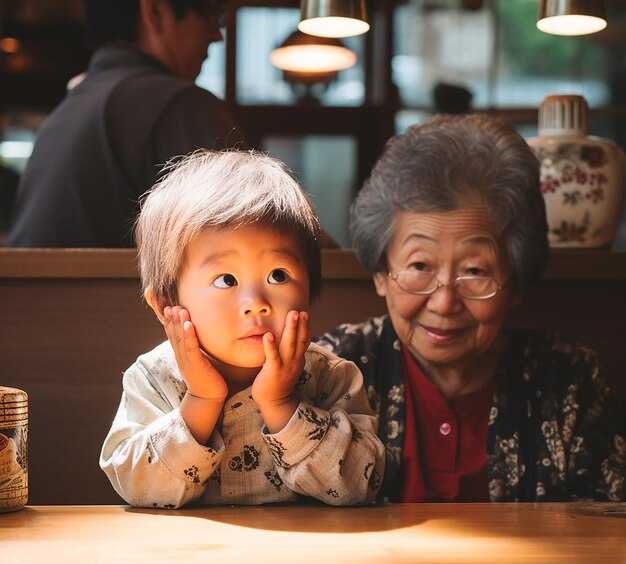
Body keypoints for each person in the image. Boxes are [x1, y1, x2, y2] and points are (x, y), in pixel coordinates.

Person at [316, 114, 626, 503]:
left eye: (475, 271)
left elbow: (609, 531)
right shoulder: (333, 369)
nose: (445, 303)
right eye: (419, 266)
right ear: (381, 273)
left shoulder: (566, 381)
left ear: (515, 281)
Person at [100, 150, 384, 508]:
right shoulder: (153, 379)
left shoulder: (330, 377)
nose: (256, 302)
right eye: (226, 279)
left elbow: (360, 486)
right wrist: (201, 400)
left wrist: (283, 404)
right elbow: (137, 488)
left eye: (278, 275)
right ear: (165, 305)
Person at [6, 0, 247, 248]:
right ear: (153, 11)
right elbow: (244, 244)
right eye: (210, 14)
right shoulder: (182, 105)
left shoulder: (65, 111)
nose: (217, 34)